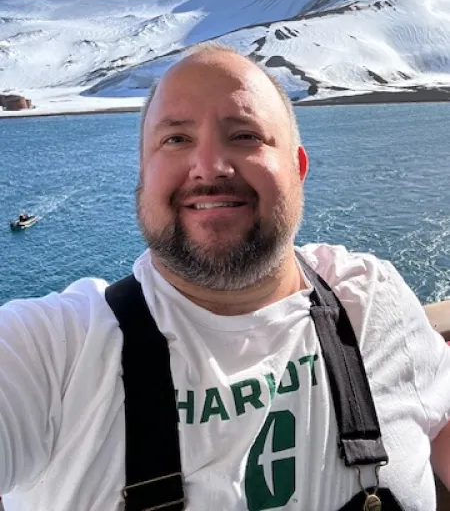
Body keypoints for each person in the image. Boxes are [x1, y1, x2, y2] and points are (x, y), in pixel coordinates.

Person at [0, 43, 449, 511]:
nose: (210, 167)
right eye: (175, 139)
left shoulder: (373, 301)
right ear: (143, 174)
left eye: (246, 135)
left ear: (297, 169)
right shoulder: (53, 352)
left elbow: (439, 413)